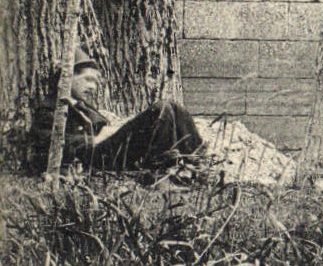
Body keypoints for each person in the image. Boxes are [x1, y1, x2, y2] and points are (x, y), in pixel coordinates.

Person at [30, 54, 204, 177]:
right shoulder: (51, 108)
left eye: (96, 82)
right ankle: (162, 171)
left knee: (173, 107)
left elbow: (103, 126)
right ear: (67, 78)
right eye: (87, 79)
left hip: (113, 149)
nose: (93, 87)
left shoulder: (82, 105)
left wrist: (117, 126)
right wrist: (95, 139)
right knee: (162, 108)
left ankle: (195, 162)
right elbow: (46, 142)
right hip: (98, 157)